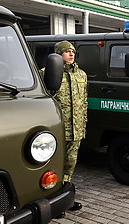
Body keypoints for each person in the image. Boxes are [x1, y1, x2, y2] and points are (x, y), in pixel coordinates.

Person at [52, 41, 88, 215]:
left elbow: (84, 102)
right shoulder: (48, 73)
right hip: (58, 131)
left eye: (72, 51)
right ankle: (53, 202)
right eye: (66, 51)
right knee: (55, 166)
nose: (71, 54)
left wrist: (83, 123)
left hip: (76, 130)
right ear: (59, 55)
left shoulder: (81, 75)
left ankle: (65, 198)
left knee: (70, 165)